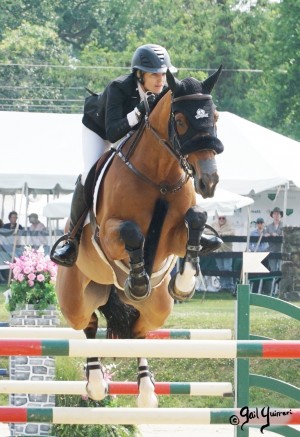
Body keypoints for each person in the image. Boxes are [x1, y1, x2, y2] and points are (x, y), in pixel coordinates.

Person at [51, 44, 219, 267]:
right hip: (102, 130)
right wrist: (139, 110)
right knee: (89, 172)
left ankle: (192, 230)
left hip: (137, 134)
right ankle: (72, 237)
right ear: (140, 75)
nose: (161, 80)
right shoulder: (118, 88)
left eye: (163, 74)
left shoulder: (167, 92)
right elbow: (113, 132)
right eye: (154, 75)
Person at [211, 215, 235, 292]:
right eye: (220, 218)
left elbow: (232, 232)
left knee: (227, 268)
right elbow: (207, 231)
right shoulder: (214, 224)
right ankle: (223, 286)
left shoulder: (229, 224)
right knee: (221, 269)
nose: (221, 219)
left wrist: (221, 234)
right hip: (217, 250)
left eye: (223, 218)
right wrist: (217, 233)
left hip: (227, 250)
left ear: (225, 218)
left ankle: (230, 286)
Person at [265, 207, 283, 272]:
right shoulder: (269, 226)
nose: (276, 215)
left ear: (280, 215)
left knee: (281, 269)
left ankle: (280, 282)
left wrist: (277, 236)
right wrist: (270, 234)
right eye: (275, 214)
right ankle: (274, 282)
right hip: (272, 249)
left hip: (281, 250)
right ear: (272, 215)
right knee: (273, 269)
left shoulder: (284, 225)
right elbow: (265, 235)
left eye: (278, 214)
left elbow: (286, 236)